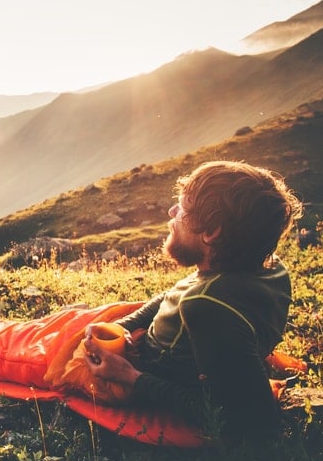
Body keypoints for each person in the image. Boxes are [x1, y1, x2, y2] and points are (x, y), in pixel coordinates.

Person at [81, 160, 304, 443]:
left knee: (24, 346)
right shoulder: (266, 266)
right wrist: (124, 324)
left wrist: (129, 376)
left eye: (183, 208)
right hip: (134, 338)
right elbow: (175, 293)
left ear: (211, 232)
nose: (172, 212)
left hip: (138, 371)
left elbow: (246, 418)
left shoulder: (208, 309)